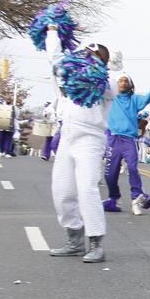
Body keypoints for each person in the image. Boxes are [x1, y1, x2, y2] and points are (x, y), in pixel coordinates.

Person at [44, 27, 113, 263]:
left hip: (90, 139)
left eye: (94, 57)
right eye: (85, 54)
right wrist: (53, 30)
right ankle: (74, 239)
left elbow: (113, 81)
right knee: (62, 190)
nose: (87, 58)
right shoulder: (68, 75)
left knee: (87, 189)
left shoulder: (104, 82)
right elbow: (55, 57)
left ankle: (96, 242)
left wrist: (100, 69)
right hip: (67, 135)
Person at [102, 71, 150, 214]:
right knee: (110, 173)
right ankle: (113, 199)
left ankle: (136, 199)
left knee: (133, 168)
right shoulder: (111, 98)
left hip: (128, 140)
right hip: (113, 138)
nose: (122, 83)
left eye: (125, 81)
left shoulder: (134, 99)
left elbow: (148, 98)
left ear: (129, 84)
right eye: (120, 81)